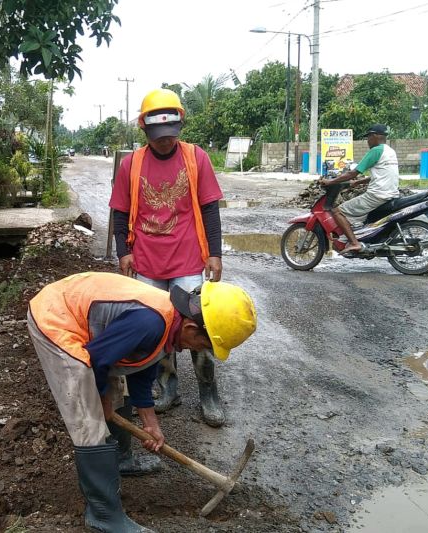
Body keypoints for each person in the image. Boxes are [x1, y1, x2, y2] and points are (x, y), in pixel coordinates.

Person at [27, 272, 257, 533]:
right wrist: (100, 400)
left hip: (87, 326)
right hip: (55, 318)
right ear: (192, 328)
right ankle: (103, 516)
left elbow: (141, 365)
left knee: (117, 388)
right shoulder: (150, 322)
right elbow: (97, 360)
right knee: (88, 415)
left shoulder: (171, 321)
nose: (200, 350)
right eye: (203, 345)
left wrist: (151, 424)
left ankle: (121, 459)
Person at [108, 88, 227, 428]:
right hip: (147, 263)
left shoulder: (196, 157)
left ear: (179, 127)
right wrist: (124, 252)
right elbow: (120, 212)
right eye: (157, 136)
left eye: (170, 135)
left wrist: (214, 253)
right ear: (145, 130)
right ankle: (168, 388)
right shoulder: (132, 165)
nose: (165, 142)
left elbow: (209, 208)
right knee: (157, 330)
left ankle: (208, 393)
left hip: (188, 259)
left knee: (199, 326)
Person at [318, 124, 400, 254]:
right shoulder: (389, 151)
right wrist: (360, 182)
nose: (367, 140)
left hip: (377, 195)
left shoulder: (376, 151)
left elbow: (353, 172)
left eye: (368, 137)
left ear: (375, 136)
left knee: (338, 211)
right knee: (358, 214)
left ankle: (354, 243)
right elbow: (383, 173)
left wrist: (330, 181)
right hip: (390, 193)